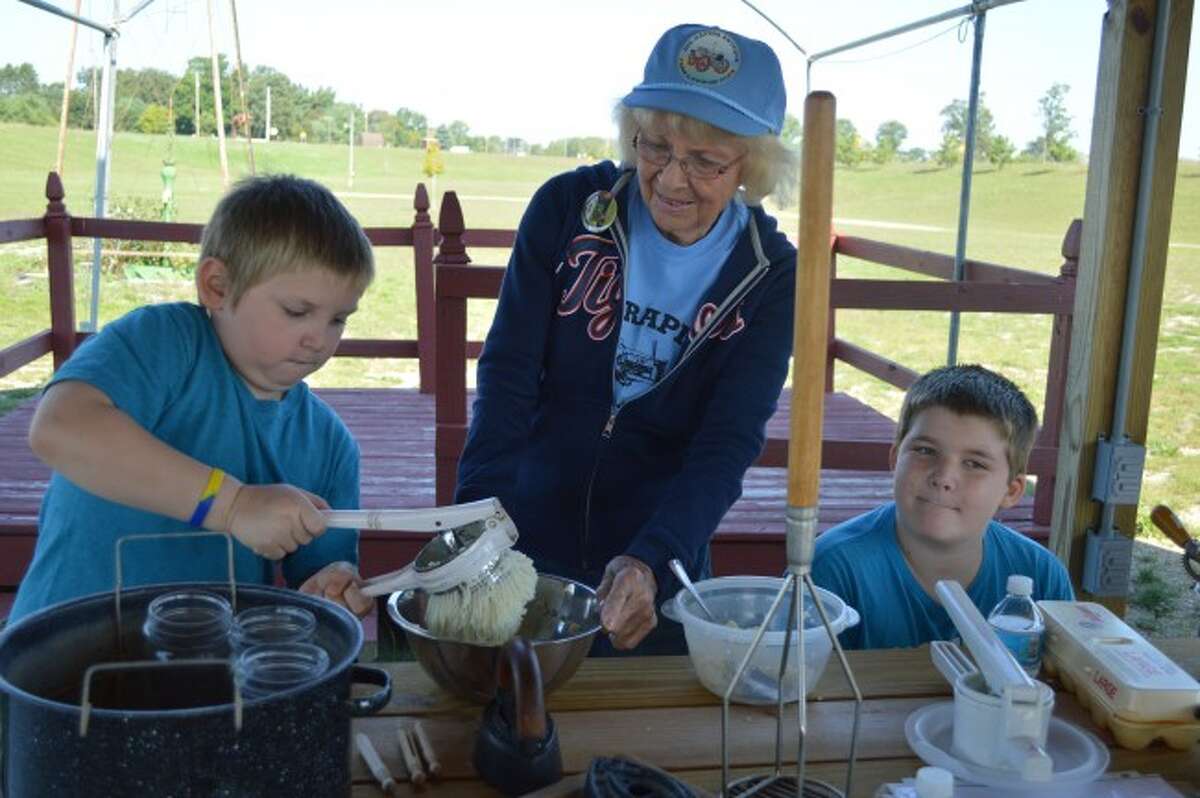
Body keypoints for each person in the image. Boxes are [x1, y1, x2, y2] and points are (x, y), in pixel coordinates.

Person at [454, 24, 798, 653]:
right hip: (527, 524)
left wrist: (655, 558)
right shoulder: (568, 209)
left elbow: (727, 442)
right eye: (655, 147)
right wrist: (478, 515)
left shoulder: (770, 274)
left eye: (704, 162)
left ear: (753, 166)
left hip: (661, 550)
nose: (670, 180)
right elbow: (507, 375)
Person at [9, 175, 376, 623]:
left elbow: (317, 580)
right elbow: (59, 428)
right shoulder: (164, 342)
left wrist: (334, 585)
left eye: (339, 318)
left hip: (214, 678)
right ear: (217, 287)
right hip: (66, 655)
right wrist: (234, 505)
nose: (319, 339)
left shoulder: (331, 448)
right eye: (297, 312)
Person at [811, 364, 1074, 649]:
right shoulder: (830, 568)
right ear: (895, 458)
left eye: (975, 464)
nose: (943, 478)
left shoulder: (1040, 574)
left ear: (1011, 491)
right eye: (925, 451)